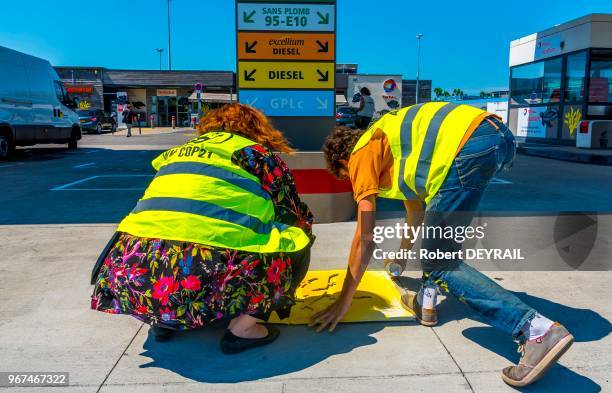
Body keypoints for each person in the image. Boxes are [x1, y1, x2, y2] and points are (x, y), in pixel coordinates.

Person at [315, 101, 573, 388]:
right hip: (494, 136)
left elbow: (364, 237)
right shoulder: (394, 148)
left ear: (342, 162)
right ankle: (426, 301)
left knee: (439, 261)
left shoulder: (361, 152)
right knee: (438, 249)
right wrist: (401, 256)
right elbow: (415, 213)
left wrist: (344, 300)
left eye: (347, 177)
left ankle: (536, 330)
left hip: (468, 144)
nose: (355, 183)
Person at [91, 103, 314, 354]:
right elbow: (294, 211)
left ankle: (162, 321)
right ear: (257, 128)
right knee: (298, 236)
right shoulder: (255, 154)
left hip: (132, 278)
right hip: (197, 273)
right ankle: (243, 329)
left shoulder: (178, 152)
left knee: (170, 243)